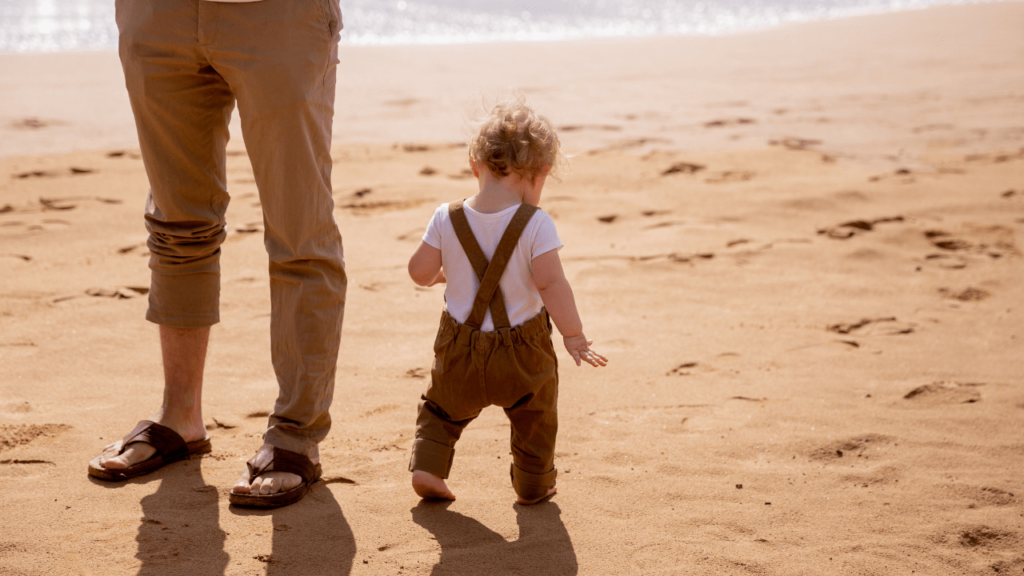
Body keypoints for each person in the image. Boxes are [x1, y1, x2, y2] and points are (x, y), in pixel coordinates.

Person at [87, 0, 346, 509]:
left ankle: (296, 436)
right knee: (176, 224)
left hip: (278, 17)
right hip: (158, 14)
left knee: (300, 234)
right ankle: (179, 418)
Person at [406, 98, 608, 505]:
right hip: (524, 354)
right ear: (541, 173)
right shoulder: (536, 223)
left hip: (459, 351)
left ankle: (428, 467)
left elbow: (419, 273)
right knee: (536, 416)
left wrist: (444, 274)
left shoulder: (446, 217)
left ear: (474, 164)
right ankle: (533, 483)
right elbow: (551, 284)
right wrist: (574, 334)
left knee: (441, 410)